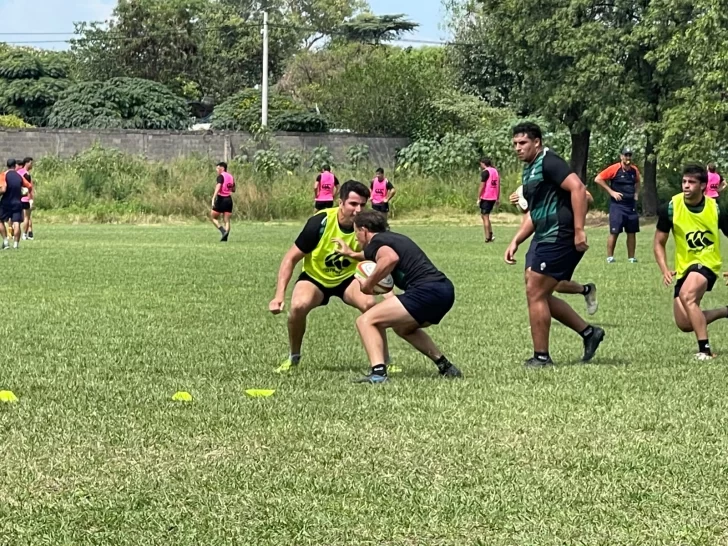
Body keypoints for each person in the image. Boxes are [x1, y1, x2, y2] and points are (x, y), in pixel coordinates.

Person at [505, 122, 605, 367]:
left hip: (560, 235)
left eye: (523, 143)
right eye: (515, 144)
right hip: (543, 235)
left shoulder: (550, 162)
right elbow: (535, 211)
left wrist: (579, 230)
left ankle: (541, 357)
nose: (518, 148)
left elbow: (579, 189)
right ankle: (589, 333)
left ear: (537, 142)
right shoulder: (529, 169)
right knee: (537, 292)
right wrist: (516, 239)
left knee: (536, 292)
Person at [269, 180, 387, 373]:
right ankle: (294, 357)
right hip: (315, 278)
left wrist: (387, 291)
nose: (358, 210)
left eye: (362, 205)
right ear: (340, 202)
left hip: (349, 278)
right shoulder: (320, 222)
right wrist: (279, 295)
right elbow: (290, 258)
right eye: (353, 204)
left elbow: (382, 259)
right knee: (298, 306)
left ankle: (383, 360)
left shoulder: (367, 227)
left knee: (370, 306)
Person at [333, 210, 462, 383]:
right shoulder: (391, 238)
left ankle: (378, 373)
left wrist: (368, 285)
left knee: (365, 321)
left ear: (364, 230)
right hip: (444, 291)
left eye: (356, 232)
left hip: (425, 292)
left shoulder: (376, 242)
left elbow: (389, 259)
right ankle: (445, 366)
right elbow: (376, 255)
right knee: (404, 328)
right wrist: (350, 254)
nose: (356, 237)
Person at [654, 164, 728, 361]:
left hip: (707, 263)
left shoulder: (717, 209)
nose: (686, 186)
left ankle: (705, 350)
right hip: (684, 267)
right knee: (684, 323)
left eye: (691, 182)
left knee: (687, 296)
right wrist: (664, 269)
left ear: (703, 185)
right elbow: (658, 243)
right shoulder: (670, 207)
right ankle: (725, 311)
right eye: (684, 181)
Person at [509, 188, 598, 315]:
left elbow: (588, 197)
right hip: (542, 235)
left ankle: (585, 295)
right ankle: (540, 318)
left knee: (552, 285)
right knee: (532, 279)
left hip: (563, 236)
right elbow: (531, 211)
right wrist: (521, 198)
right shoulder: (533, 176)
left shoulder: (558, 175)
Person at [594, 147, 641, 263]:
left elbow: (638, 182)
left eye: (629, 155)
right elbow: (598, 179)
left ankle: (631, 258)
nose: (628, 158)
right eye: (626, 155)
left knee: (632, 232)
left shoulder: (634, 170)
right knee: (614, 231)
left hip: (631, 205)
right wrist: (612, 192)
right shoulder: (615, 169)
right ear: (621, 157)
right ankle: (610, 257)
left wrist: (636, 194)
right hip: (618, 206)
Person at [0, 159, 31, 250]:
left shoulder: (3, 175)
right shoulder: (19, 176)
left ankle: (6, 241)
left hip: (6, 202)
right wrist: (23, 193)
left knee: (0, 220)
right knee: (16, 223)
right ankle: (16, 244)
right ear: (15, 165)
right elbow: (29, 186)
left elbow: (3, 189)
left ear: (7, 165)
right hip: (17, 202)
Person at [477, 157, 500, 243]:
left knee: (485, 216)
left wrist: (478, 197)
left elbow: (482, 186)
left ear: (483, 163)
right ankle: (490, 233)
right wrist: (498, 198)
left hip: (486, 197)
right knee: (485, 216)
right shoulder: (495, 171)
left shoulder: (485, 172)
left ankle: (488, 237)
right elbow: (498, 185)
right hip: (493, 197)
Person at [211, 162, 235, 242]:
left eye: (218, 168)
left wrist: (214, 197)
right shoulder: (231, 176)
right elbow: (233, 189)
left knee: (213, 217)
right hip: (229, 199)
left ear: (222, 168)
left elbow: (218, 186)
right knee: (227, 220)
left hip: (221, 198)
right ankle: (226, 236)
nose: (216, 170)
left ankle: (223, 231)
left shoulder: (221, 176)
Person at [17, 157, 34, 240]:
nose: (32, 165)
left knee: (17, 218)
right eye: (31, 163)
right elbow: (29, 187)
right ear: (27, 163)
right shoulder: (26, 174)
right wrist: (31, 199)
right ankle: (24, 234)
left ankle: (13, 234)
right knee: (27, 217)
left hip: (17, 198)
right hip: (25, 198)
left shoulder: (18, 172)